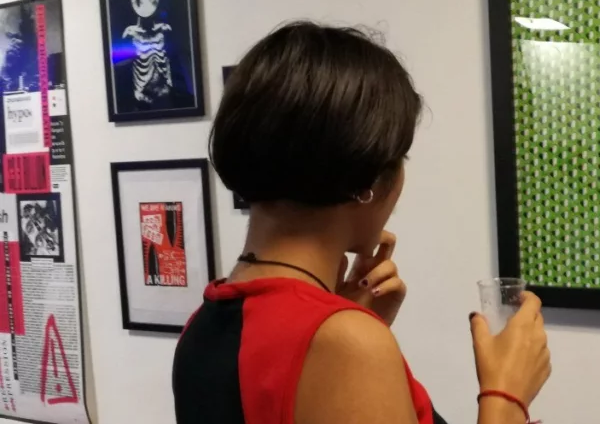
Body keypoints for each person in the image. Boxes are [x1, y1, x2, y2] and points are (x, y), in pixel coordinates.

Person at [171, 22, 551, 424]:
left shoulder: (203, 326)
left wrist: (342, 317)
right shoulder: (344, 343)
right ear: (367, 182)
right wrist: (506, 395)